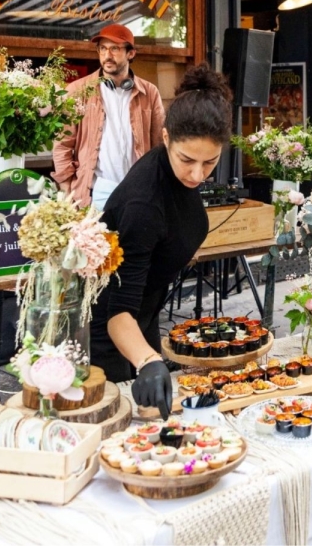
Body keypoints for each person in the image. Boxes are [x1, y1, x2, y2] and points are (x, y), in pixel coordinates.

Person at [88, 64, 231, 418]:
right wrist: (148, 361)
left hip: (144, 319)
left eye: (210, 162)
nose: (198, 174)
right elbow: (117, 312)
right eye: (187, 160)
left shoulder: (179, 176)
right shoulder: (143, 204)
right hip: (110, 335)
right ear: (165, 137)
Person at [52, 23, 166, 209]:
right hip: (95, 191)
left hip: (139, 191)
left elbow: (159, 145)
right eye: (103, 49)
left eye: (115, 49)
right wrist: (67, 189)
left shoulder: (150, 93)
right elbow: (62, 144)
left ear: (131, 53)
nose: (107, 55)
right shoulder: (77, 91)